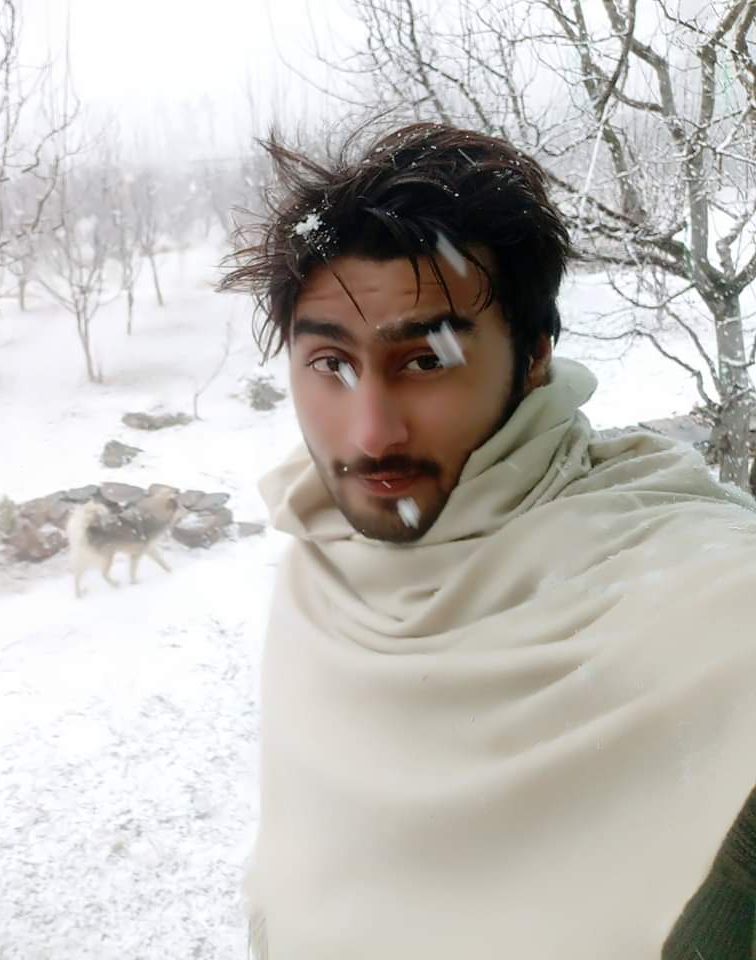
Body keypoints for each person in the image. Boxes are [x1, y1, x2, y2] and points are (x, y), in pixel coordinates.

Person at [219, 122, 756, 959]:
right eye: (330, 364)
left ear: (534, 357)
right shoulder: (321, 568)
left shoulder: (700, 594)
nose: (370, 434)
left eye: (424, 362)